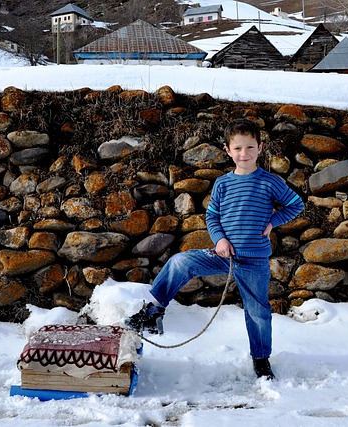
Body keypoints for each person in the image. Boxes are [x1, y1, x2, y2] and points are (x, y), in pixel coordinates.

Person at [126, 119, 304, 380]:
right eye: (238, 149)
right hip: (223, 255)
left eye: (250, 148)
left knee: (258, 313)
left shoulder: (269, 181)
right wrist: (219, 240)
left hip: (254, 261)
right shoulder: (222, 184)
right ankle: (153, 310)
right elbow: (212, 217)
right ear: (228, 150)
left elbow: (295, 204)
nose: (244, 154)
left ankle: (261, 358)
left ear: (260, 148)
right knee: (180, 262)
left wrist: (272, 222)